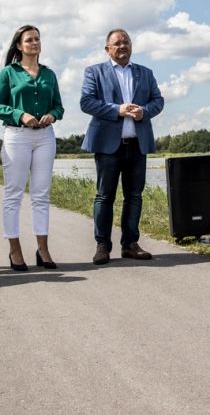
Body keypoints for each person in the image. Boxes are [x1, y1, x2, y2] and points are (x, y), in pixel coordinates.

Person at [80, 29, 164, 265]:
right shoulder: (94, 72)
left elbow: (158, 101)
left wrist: (143, 112)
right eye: (116, 43)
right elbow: (86, 102)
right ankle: (102, 246)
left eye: (126, 42)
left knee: (134, 195)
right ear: (107, 49)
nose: (122, 46)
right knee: (104, 196)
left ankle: (130, 244)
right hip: (108, 146)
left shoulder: (145, 73)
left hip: (138, 144)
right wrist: (117, 110)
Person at [0, 25, 64, 270]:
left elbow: (58, 106)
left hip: (45, 137)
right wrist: (20, 114)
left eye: (37, 39)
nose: (35, 43)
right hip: (17, 136)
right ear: (19, 46)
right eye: (29, 40)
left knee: (41, 195)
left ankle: (43, 249)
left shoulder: (49, 74)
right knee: (13, 195)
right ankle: (14, 250)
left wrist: (52, 115)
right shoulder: (8, 73)